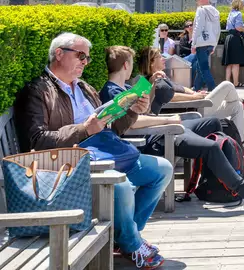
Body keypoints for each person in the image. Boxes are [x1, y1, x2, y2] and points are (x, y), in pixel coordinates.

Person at [15, 34, 169, 269]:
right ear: (59, 54)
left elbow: (114, 127)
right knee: (122, 185)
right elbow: (35, 141)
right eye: (80, 55)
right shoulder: (38, 91)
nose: (85, 62)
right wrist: (83, 129)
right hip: (70, 164)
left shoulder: (85, 88)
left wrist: (135, 109)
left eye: (87, 57)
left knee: (161, 170)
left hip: (105, 153)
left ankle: (127, 238)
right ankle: (131, 242)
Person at [102, 48, 244, 211]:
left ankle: (224, 178)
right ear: (126, 65)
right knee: (211, 148)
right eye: (131, 63)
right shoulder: (112, 93)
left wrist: (150, 93)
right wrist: (167, 121)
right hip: (157, 137)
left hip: (162, 128)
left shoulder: (125, 88)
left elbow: (144, 112)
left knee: (213, 123)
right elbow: (131, 124)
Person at [138, 46, 244, 143]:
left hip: (198, 103)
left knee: (237, 107)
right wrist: (194, 97)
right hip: (195, 109)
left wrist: (193, 92)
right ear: (152, 62)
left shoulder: (162, 76)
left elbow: (181, 88)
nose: (164, 58)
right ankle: (240, 99)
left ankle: (241, 145)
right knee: (227, 85)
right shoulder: (152, 80)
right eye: (160, 57)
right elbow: (171, 97)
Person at [191, 0, 220, 91]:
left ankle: (213, 88)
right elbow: (218, 30)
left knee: (203, 67)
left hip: (201, 43)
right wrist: (214, 45)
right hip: (211, 43)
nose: (196, 2)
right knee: (200, 67)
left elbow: (198, 27)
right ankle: (196, 87)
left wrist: (193, 44)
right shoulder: (215, 11)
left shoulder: (201, 9)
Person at [222, 0, 244, 87]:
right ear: (239, 4)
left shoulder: (230, 13)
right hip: (235, 39)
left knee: (229, 63)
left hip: (228, 38)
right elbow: (238, 28)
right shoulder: (238, 14)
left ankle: (227, 83)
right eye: (243, 3)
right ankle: (236, 83)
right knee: (236, 62)